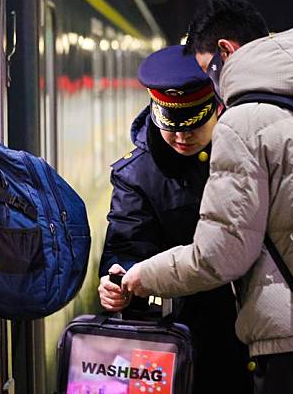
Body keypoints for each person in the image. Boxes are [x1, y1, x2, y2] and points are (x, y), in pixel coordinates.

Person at [122, 0, 293, 393]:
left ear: (226, 51)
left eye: (209, 71)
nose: (213, 85)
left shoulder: (244, 121)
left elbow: (221, 256)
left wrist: (141, 276)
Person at [97, 44, 252, 394]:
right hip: (193, 334)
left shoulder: (249, 150)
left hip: (262, 328)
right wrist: (116, 279)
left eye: (194, 123)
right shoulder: (137, 174)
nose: (181, 136)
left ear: (217, 107)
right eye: (171, 124)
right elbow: (127, 242)